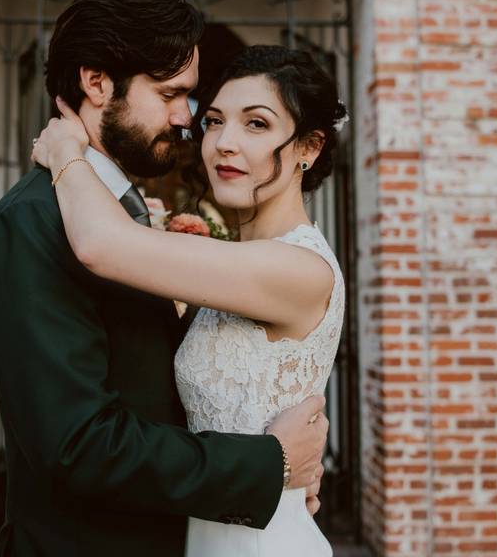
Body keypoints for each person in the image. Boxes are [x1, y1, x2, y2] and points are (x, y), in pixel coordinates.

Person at [0, 0, 328, 557]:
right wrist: (269, 464)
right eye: (171, 94)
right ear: (97, 82)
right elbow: (79, 445)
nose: (187, 119)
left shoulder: (124, 217)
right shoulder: (28, 224)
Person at [31, 44, 346, 556]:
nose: (224, 142)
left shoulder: (299, 268)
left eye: (257, 125)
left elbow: (101, 246)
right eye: (215, 120)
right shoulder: (233, 265)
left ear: (309, 147)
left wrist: (66, 153)